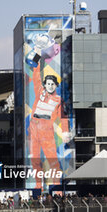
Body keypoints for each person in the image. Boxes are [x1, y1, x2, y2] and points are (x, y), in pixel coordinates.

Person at [28, 59, 71, 189]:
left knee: (53, 161)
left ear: (55, 85)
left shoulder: (58, 100)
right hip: (34, 128)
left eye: (53, 84)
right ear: (45, 84)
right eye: (48, 83)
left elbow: (63, 116)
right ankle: (38, 186)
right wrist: (37, 55)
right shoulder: (40, 92)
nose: (50, 86)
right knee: (34, 159)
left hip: (46, 130)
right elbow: (36, 74)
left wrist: (65, 132)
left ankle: (57, 188)